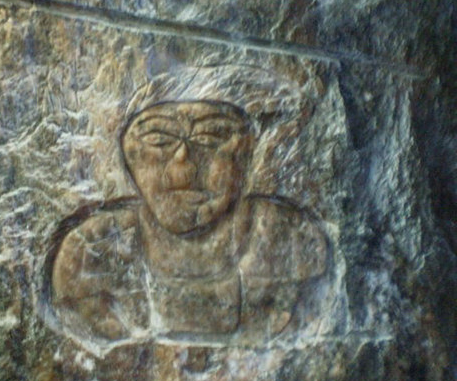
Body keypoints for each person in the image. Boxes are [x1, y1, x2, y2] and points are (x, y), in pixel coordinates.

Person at [48, 66, 329, 350]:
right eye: (159, 139)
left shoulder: (291, 239)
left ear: (246, 154)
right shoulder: (92, 252)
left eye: (209, 138)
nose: (183, 161)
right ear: (129, 156)